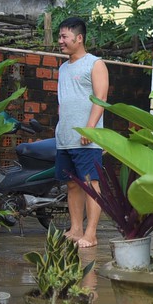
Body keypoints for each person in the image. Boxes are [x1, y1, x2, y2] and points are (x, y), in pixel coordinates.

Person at [55, 17, 109, 248]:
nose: (60, 41)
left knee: (90, 184)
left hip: (87, 138)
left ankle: (91, 233)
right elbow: (62, 101)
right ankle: (76, 229)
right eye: (60, 37)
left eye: (64, 37)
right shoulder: (63, 68)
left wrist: (90, 128)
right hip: (65, 138)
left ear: (79, 38)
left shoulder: (95, 64)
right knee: (72, 184)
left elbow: (101, 98)